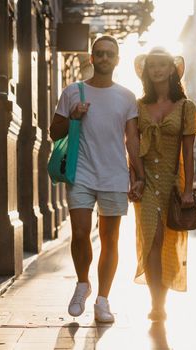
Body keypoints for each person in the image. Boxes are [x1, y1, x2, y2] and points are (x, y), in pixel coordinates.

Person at [49, 35, 145, 323]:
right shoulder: (72, 92)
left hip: (114, 175)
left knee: (110, 239)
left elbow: (132, 140)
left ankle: (103, 300)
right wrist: (73, 117)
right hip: (81, 173)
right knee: (79, 233)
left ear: (117, 60)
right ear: (91, 58)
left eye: (109, 54)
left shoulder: (127, 97)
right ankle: (82, 283)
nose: (104, 58)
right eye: (99, 54)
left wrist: (139, 176)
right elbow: (54, 132)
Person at [130, 47, 196, 321]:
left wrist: (188, 190)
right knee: (151, 241)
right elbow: (131, 145)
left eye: (163, 65)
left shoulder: (186, 107)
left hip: (174, 183)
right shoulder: (138, 106)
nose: (158, 70)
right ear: (146, 71)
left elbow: (188, 152)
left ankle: (162, 296)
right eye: (152, 66)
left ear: (172, 69)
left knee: (168, 245)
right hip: (146, 181)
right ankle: (156, 303)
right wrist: (135, 179)